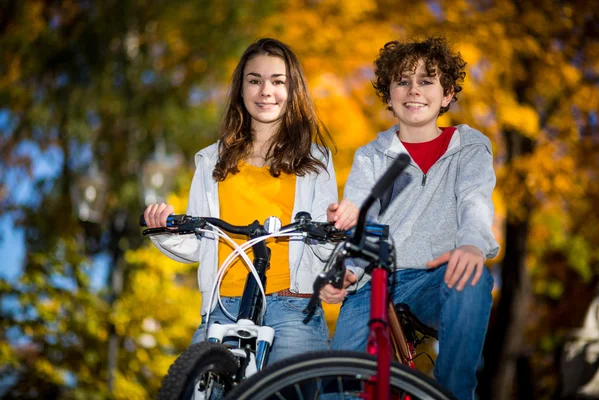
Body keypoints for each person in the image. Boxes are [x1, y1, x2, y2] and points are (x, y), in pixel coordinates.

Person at [144, 38, 347, 365]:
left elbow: (325, 245)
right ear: (241, 89)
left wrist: (336, 228)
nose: (266, 91)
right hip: (223, 305)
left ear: (292, 90)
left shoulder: (315, 161)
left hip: (292, 306)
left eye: (277, 81)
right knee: (196, 382)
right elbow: (199, 242)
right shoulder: (211, 161)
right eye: (254, 80)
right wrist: (163, 229)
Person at [322, 36, 500, 400]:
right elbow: (359, 218)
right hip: (375, 281)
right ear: (388, 96)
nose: (413, 90)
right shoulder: (371, 156)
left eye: (426, 80)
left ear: (447, 94)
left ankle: (453, 394)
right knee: (338, 384)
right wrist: (348, 271)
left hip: (439, 277)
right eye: (402, 81)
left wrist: (471, 244)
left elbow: (474, 202)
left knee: (474, 275)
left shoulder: (469, 146)